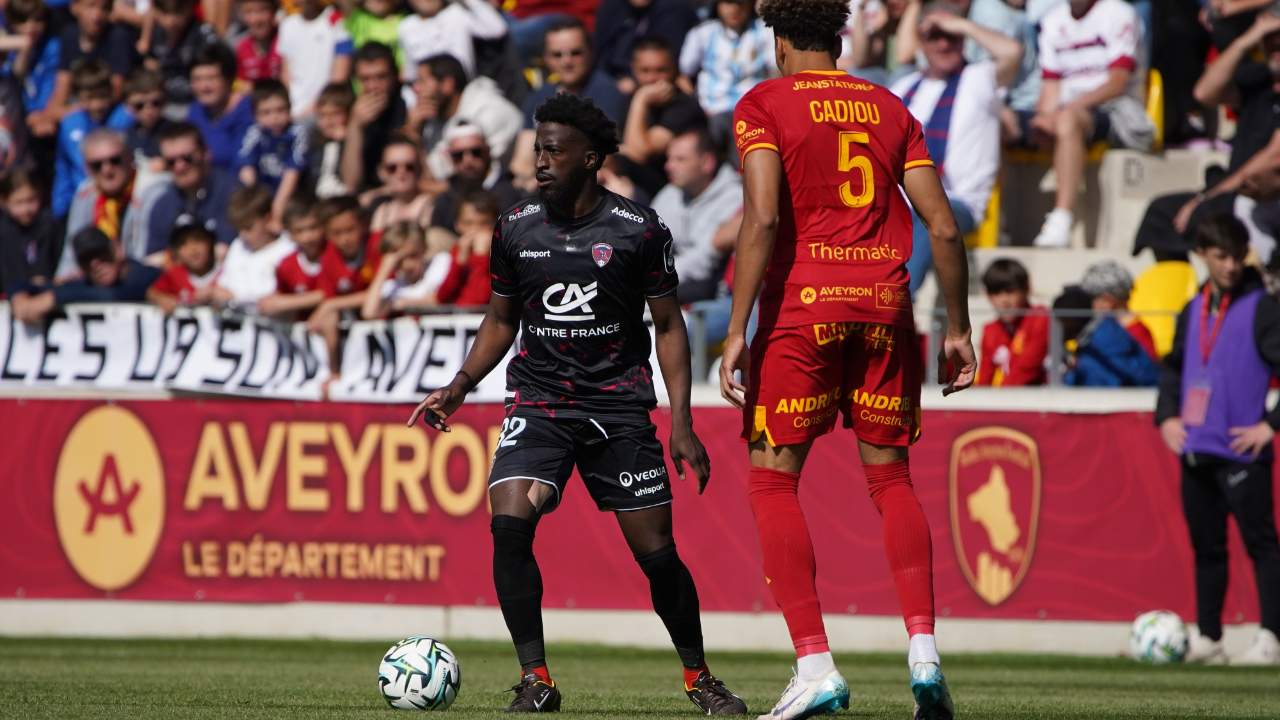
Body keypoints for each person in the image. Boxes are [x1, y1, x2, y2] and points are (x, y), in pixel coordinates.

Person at [406, 92, 748, 716]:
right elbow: (501, 318)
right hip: (540, 404)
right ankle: (536, 680)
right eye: (538, 148)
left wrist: (681, 422)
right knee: (508, 525)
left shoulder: (638, 230)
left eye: (554, 150)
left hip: (618, 411)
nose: (541, 160)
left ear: (590, 158)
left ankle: (699, 677)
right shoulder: (515, 226)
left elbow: (669, 326)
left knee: (658, 557)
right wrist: (459, 386)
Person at [716, 0, 977, 716]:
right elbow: (945, 229)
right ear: (838, 37)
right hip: (887, 309)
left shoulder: (764, 103)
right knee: (892, 481)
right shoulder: (890, 106)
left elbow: (764, 216)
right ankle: (924, 659)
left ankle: (815, 665)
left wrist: (737, 328)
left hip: (805, 311)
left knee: (773, 484)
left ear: (778, 42)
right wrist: (958, 327)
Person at [1156, 213, 1280, 666]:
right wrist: (1167, 415)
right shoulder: (1194, 306)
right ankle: (1209, 637)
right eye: (1220, 256)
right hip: (1196, 447)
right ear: (1202, 256)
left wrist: (1270, 425)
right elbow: (1173, 367)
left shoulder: (1262, 306)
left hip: (1242, 452)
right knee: (1207, 549)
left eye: (1237, 256)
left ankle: (1271, 637)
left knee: (1262, 545)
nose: (1230, 266)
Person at [890, 2, 1021, 294]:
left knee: (929, 214)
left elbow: (1012, 52)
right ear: (921, 40)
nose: (943, 43)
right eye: (934, 35)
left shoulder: (979, 79)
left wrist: (961, 24)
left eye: (951, 36)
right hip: (900, 205)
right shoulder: (904, 87)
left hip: (958, 201)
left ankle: (897, 304)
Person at [1134, 11, 1280, 260]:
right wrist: (1246, 40)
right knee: (1161, 213)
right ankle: (1183, 287)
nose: (1275, 46)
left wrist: (1206, 197)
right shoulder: (1259, 82)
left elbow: (1272, 157)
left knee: (1232, 209)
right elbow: (1204, 92)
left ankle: (1253, 287)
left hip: (1262, 192)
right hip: (1232, 187)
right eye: (1270, 39)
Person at [1028, 0, 1155, 248]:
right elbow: (1050, 86)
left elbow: (1117, 83)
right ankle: (994, 220)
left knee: (1067, 120)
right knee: (1003, 120)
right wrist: (1043, 119)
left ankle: (1063, 217)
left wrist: (1063, 112)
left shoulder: (1120, 14)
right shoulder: (1052, 21)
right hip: (1068, 110)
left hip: (1117, 109)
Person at [510, 18, 627, 192]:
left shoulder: (606, 92)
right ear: (546, 58)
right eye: (557, 54)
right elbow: (520, 161)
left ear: (591, 51)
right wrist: (528, 178)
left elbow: (603, 156)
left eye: (575, 53)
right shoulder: (539, 97)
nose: (567, 61)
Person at [650, 129, 742, 303]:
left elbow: (704, 260)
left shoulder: (735, 198)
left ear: (706, 163)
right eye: (669, 158)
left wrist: (654, 277)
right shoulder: (670, 192)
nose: (669, 166)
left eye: (680, 159)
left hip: (709, 297)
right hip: (665, 284)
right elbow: (646, 243)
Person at [10, 226, 162, 324]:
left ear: (118, 250)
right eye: (86, 260)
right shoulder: (89, 285)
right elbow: (28, 285)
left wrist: (54, 297)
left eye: (101, 254)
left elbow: (117, 296)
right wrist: (19, 295)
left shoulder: (147, 275)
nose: (95, 265)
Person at [677, 0, 775, 148]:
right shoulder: (702, 33)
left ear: (750, 5)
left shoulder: (764, 31)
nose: (734, 8)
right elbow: (683, 76)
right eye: (728, 2)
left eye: (741, 3)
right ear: (717, 5)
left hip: (752, 112)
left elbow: (776, 71)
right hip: (710, 113)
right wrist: (697, 107)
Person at [59, 128, 155, 277]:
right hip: (98, 282)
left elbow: (148, 258)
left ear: (129, 157)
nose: (107, 170)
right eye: (97, 165)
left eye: (115, 160)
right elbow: (70, 256)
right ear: (86, 168)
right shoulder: (85, 193)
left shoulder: (151, 189)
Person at [618, 36, 708, 197]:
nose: (653, 79)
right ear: (633, 69)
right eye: (645, 71)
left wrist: (641, 100)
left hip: (672, 190)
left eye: (661, 70)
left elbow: (639, 154)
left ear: (674, 69)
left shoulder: (684, 106)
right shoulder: (628, 100)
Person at [409, 53, 522, 180]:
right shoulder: (432, 118)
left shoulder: (491, 112)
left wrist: (412, 133)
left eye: (422, 81)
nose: (415, 89)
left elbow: (433, 178)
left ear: (448, 84)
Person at [141, 122, 239, 260]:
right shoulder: (162, 205)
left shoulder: (232, 192)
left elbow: (223, 252)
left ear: (206, 153)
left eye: (187, 157)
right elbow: (152, 261)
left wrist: (171, 258)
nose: (180, 167)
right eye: (171, 161)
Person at [52, 58, 131, 219]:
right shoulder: (69, 123)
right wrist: (60, 207)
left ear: (111, 91)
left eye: (102, 96)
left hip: (122, 202)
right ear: (77, 96)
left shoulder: (126, 117)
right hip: (82, 203)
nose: (97, 105)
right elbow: (63, 167)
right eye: (89, 98)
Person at [237, 79, 307, 225]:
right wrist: (254, 203)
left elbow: (292, 174)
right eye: (266, 112)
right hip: (262, 196)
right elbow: (246, 170)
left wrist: (276, 212)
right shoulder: (254, 133)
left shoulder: (297, 134)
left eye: (280, 110)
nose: (274, 117)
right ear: (255, 115)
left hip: (292, 197)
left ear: (290, 108)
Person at [48, 0, 135, 117]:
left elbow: (115, 93)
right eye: (90, 7)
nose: (97, 14)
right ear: (74, 7)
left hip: (107, 111)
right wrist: (48, 115)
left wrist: (84, 106)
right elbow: (61, 91)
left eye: (104, 8)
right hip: (78, 107)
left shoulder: (118, 37)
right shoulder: (68, 35)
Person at [429, 123, 522, 231]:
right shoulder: (445, 199)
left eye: (476, 152)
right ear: (450, 157)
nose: (468, 160)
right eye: (459, 155)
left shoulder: (510, 192)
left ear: (487, 151)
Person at [340, 42, 406, 193]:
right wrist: (355, 126)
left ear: (395, 76)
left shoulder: (408, 101)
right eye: (365, 79)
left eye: (381, 77)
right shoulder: (354, 110)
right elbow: (351, 183)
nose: (373, 86)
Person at [218, 184, 297, 304]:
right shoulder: (238, 246)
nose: (243, 234)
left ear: (268, 219)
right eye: (239, 228)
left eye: (248, 228)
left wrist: (235, 298)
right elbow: (224, 285)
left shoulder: (288, 248)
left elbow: (272, 299)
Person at [593, 0, 698, 90]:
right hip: (608, 83)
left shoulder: (674, 10)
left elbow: (663, 65)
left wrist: (632, 80)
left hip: (656, 88)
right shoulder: (611, 8)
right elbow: (599, 57)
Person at [977, 258, 1049, 386]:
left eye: (1010, 291)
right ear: (988, 296)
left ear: (1026, 289)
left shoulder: (1040, 318)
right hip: (1008, 400)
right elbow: (985, 378)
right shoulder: (990, 330)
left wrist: (1000, 400)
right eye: (996, 293)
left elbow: (1025, 371)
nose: (1004, 300)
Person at [277, 0, 353, 118]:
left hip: (325, 110)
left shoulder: (337, 20)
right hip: (293, 110)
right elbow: (285, 74)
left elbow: (339, 77)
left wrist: (314, 109)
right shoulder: (287, 25)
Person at [397, 0, 508, 80]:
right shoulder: (406, 27)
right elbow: (410, 72)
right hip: (428, 98)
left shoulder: (456, 13)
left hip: (463, 91)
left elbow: (497, 29)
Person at [186, 43, 254, 173]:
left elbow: (244, 164)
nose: (204, 87)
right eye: (197, 79)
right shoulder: (195, 111)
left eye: (211, 79)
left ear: (229, 79)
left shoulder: (248, 112)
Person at [141, 0, 219, 111]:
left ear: (189, 8)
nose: (171, 20)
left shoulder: (203, 34)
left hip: (197, 102)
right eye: (165, 13)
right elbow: (150, 68)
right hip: (164, 103)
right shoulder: (155, 34)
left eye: (177, 12)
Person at [3, 0, 62, 139]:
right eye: (22, 20)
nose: (31, 26)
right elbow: (15, 80)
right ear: (11, 22)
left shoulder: (53, 47)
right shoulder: (6, 47)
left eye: (37, 20)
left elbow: (51, 84)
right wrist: (25, 50)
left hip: (43, 115)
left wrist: (43, 114)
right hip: (14, 115)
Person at [1080, 259, 1157, 359]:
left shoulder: (1136, 334)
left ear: (1107, 301)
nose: (1087, 304)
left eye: (1091, 298)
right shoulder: (1137, 331)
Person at [0, 169, 60, 294]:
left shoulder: (48, 224)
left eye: (31, 200)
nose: (26, 209)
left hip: (45, 293)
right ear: (4, 202)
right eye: (18, 203)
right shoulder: (4, 230)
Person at [145, 223, 228, 313]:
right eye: (183, 243)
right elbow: (152, 292)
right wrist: (164, 299)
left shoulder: (226, 272)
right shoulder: (175, 274)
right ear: (176, 252)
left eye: (198, 239)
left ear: (211, 243)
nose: (192, 249)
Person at [433, 189, 497, 305]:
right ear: (457, 225)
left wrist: (481, 256)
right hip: (458, 318)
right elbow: (443, 297)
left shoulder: (499, 253)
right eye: (469, 223)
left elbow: (481, 298)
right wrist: (459, 263)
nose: (476, 229)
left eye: (484, 223)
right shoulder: (459, 249)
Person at [360, 219, 430, 318]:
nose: (407, 264)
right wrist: (384, 270)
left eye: (413, 255)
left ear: (425, 249)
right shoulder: (393, 286)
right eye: (400, 260)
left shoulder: (438, 266)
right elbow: (369, 313)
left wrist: (406, 303)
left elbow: (441, 299)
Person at [366, 136, 432, 232]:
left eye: (409, 166)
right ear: (381, 172)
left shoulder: (433, 208)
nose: (401, 172)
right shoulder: (382, 211)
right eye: (392, 168)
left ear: (420, 169)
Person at [120, 67, 171, 179]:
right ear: (127, 106)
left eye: (156, 103)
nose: (148, 110)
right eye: (139, 105)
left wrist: (168, 163)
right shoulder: (127, 135)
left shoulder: (174, 132)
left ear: (165, 100)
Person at [308, 82, 355, 199]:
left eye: (335, 115)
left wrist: (344, 142)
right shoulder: (315, 144)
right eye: (322, 116)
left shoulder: (355, 143)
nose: (328, 122)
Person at [234, 0, 282, 84]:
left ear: (274, 10)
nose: (256, 19)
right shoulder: (241, 47)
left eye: (263, 10)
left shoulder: (284, 41)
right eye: (249, 12)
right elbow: (239, 83)